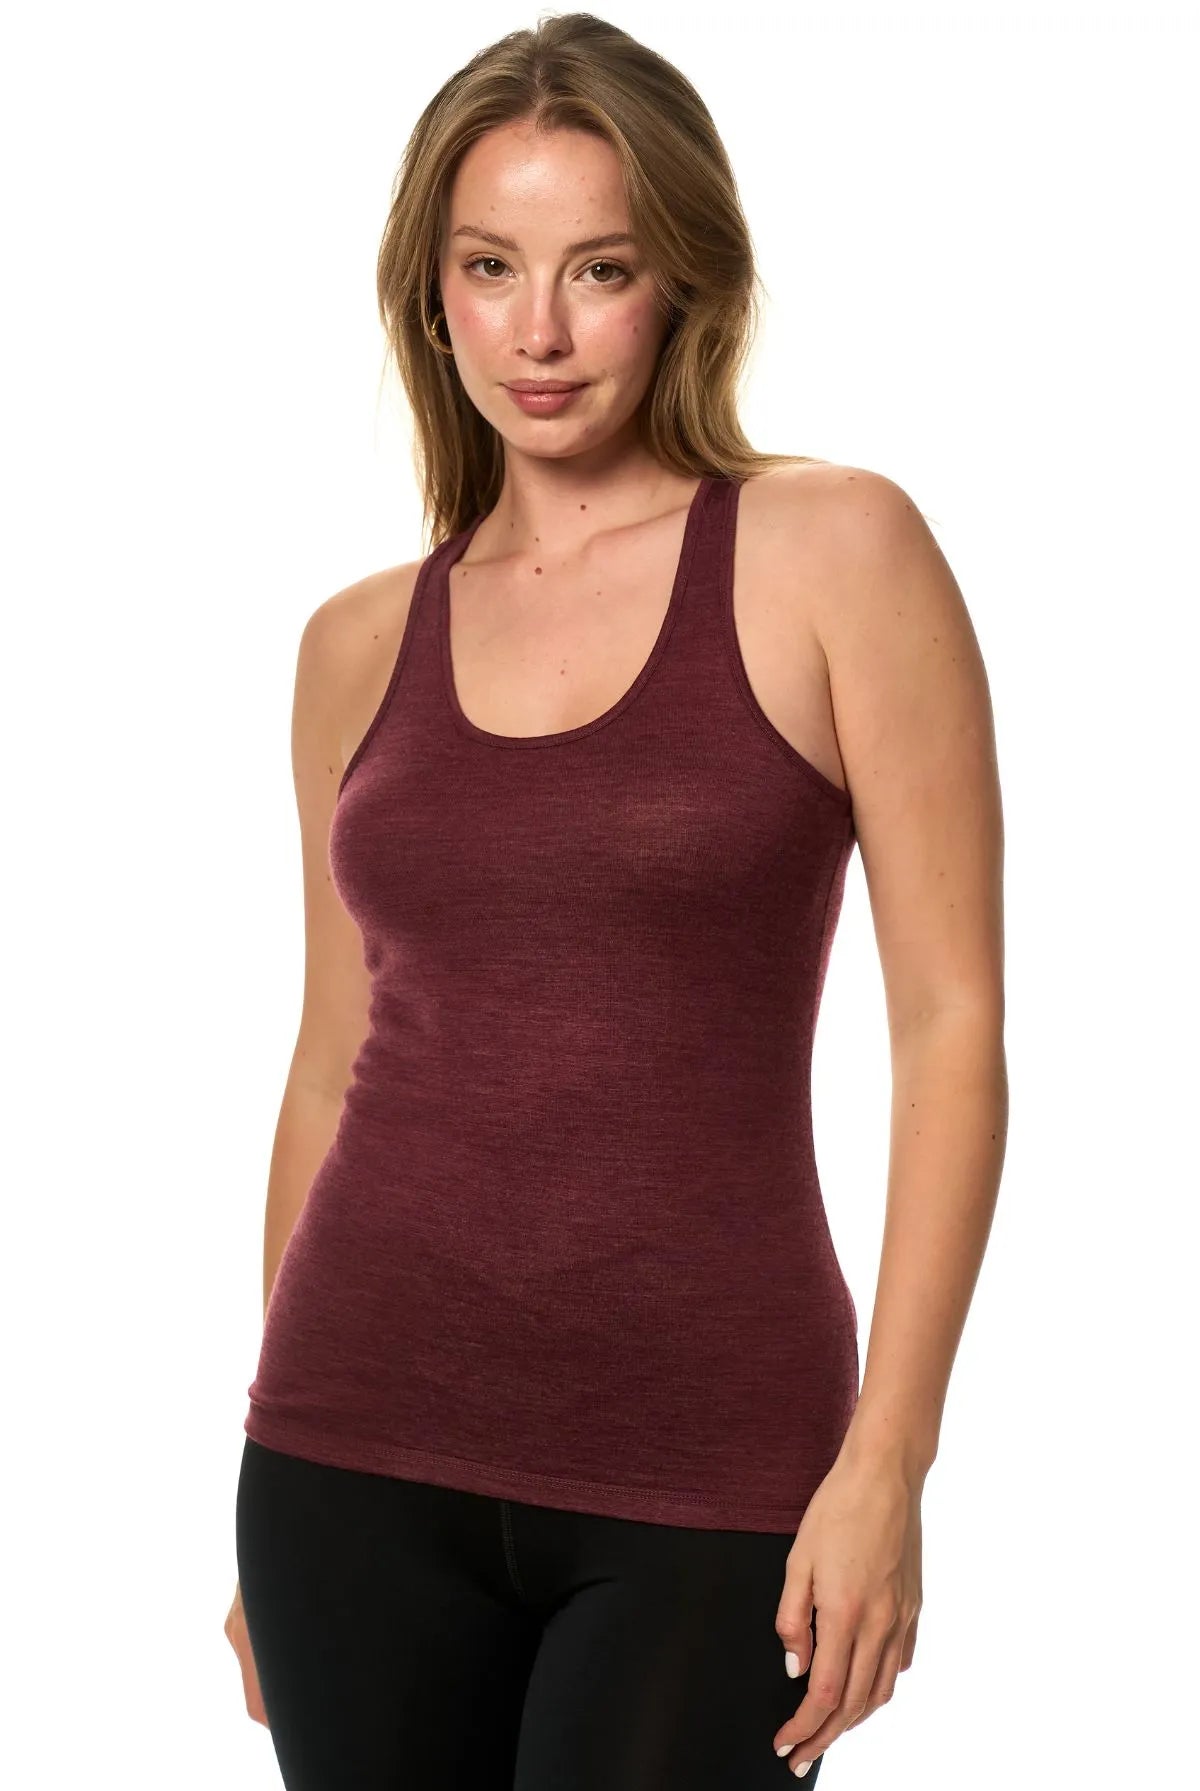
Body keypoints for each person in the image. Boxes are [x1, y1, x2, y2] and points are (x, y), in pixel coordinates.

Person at [225, 13, 1007, 1789]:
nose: (541, 332)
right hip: (349, 1457)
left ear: (684, 282)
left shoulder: (835, 551)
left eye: (600, 268)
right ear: (431, 295)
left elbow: (951, 1026)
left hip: (714, 1466)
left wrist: (889, 1459)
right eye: (490, 267)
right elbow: (329, 1063)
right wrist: (268, 1440)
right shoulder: (355, 642)